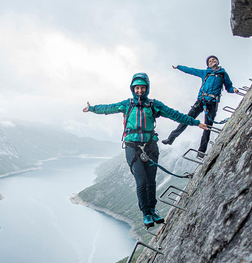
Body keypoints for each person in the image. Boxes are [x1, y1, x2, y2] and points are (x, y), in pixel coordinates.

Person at [83, 72, 207, 228]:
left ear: (147, 88)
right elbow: (109, 108)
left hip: (150, 147)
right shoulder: (127, 104)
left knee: (151, 182)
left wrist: (195, 122)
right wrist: (92, 108)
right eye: (137, 88)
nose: (139, 91)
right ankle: (146, 213)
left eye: (142, 88)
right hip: (132, 148)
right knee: (141, 182)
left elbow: (175, 115)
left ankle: (153, 210)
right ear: (132, 88)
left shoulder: (154, 105)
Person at [161, 56, 239, 158]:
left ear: (217, 61)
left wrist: (234, 90)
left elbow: (228, 87)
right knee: (187, 119)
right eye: (210, 61)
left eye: (213, 60)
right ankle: (171, 138)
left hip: (212, 103)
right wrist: (179, 67)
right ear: (208, 65)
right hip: (201, 101)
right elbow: (191, 70)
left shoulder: (223, 74)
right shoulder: (204, 72)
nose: (212, 61)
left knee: (207, 127)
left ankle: (201, 152)